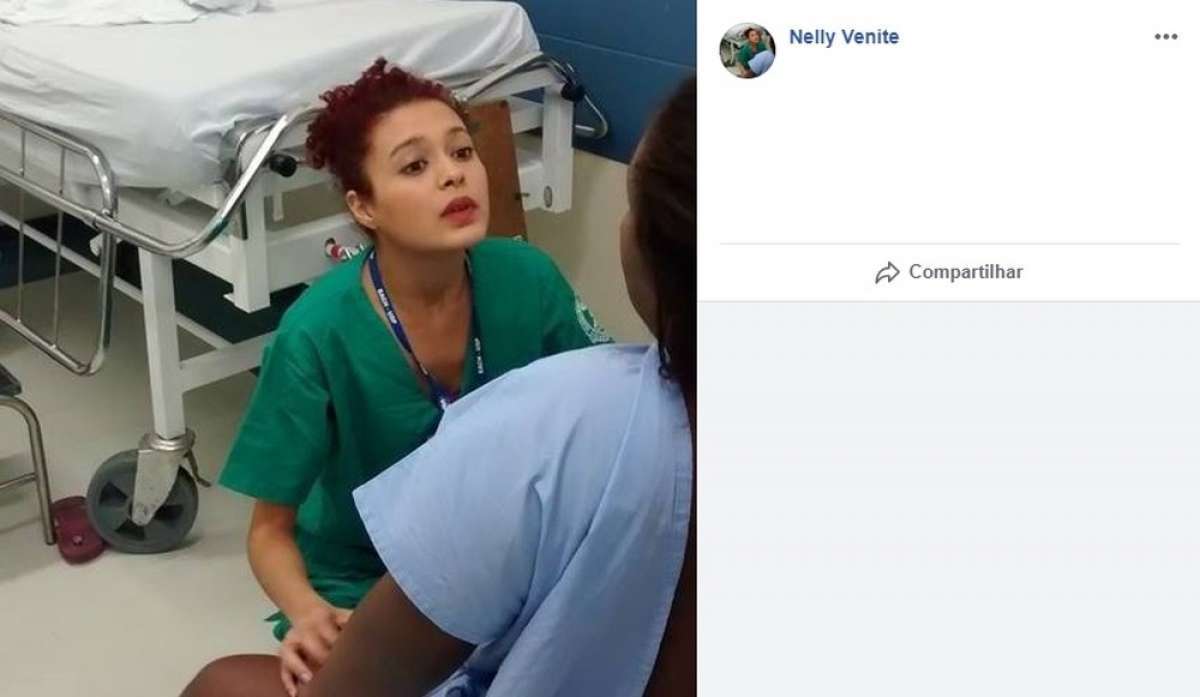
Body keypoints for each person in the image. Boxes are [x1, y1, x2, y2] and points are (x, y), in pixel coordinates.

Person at [182, 73, 696, 697]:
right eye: (415, 165)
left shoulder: (528, 278)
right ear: (363, 207)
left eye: (461, 151)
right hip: (369, 586)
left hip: (505, 560)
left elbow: (616, 419)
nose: (453, 175)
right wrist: (310, 613)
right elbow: (269, 532)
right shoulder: (318, 331)